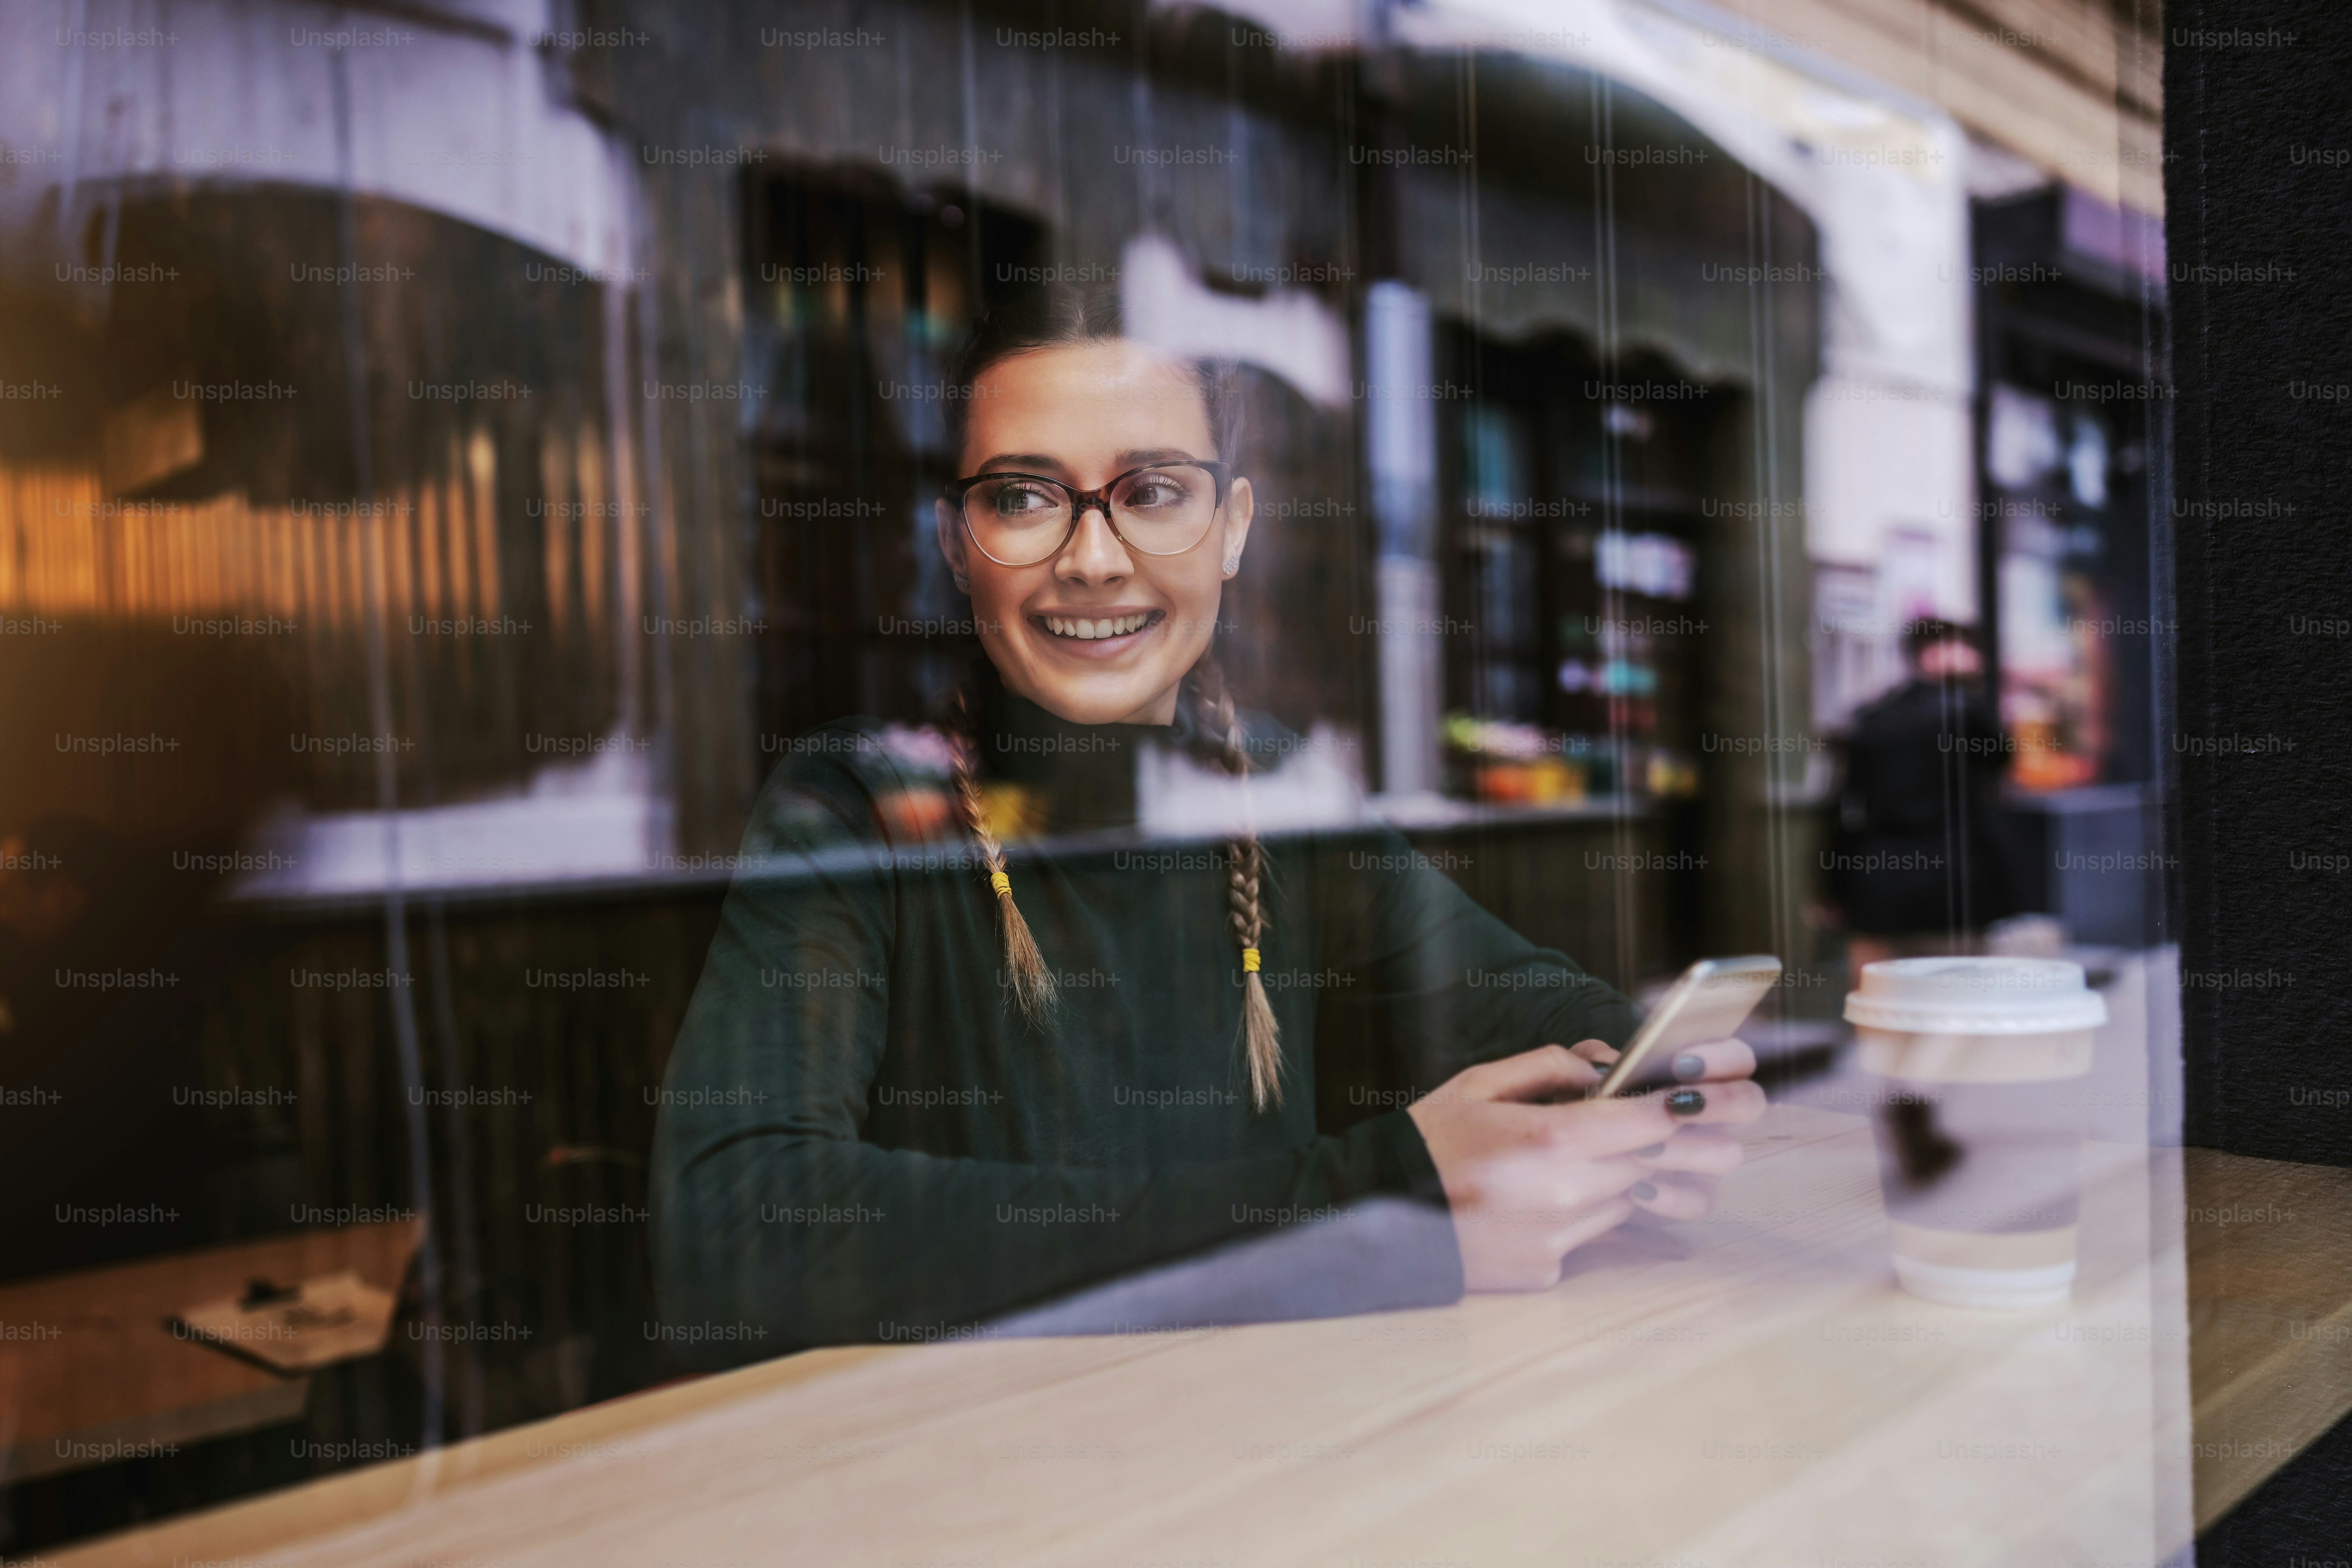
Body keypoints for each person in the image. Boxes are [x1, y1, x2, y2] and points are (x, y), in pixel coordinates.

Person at [651, 291, 1764, 1358]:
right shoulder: (854, 803)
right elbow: (740, 1225)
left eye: (1152, 491)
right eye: (1024, 498)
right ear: (955, 540)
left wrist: (1654, 1100)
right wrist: (1384, 1203)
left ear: (1231, 527)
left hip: (1260, 1440)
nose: (1090, 557)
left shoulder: (1277, 788)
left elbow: (1536, 1006)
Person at [1829, 618, 2024, 981]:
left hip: (1879, 885)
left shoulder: (1871, 717)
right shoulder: (1966, 715)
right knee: (1957, 1003)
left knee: (1882, 1008)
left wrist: (1833, 888)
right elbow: (2001, 760)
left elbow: (1844, 811)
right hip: (1952, 884)